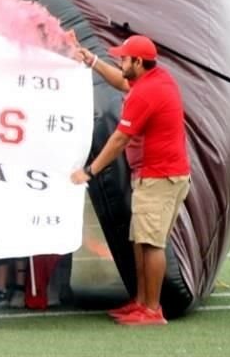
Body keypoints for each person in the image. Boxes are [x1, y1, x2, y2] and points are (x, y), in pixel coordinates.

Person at [70, 35, 190, 326]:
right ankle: (141, 303)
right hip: (154, 175)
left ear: (138, 61)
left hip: (158, 177)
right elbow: (123, 82)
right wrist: (94, 61)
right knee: (140, 241)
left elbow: (120, 139)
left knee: (151, 243)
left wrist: (90, 171)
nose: (120, 62)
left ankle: (152, 310)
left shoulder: (146, 93)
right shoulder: (153, 79)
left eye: (124, 58)